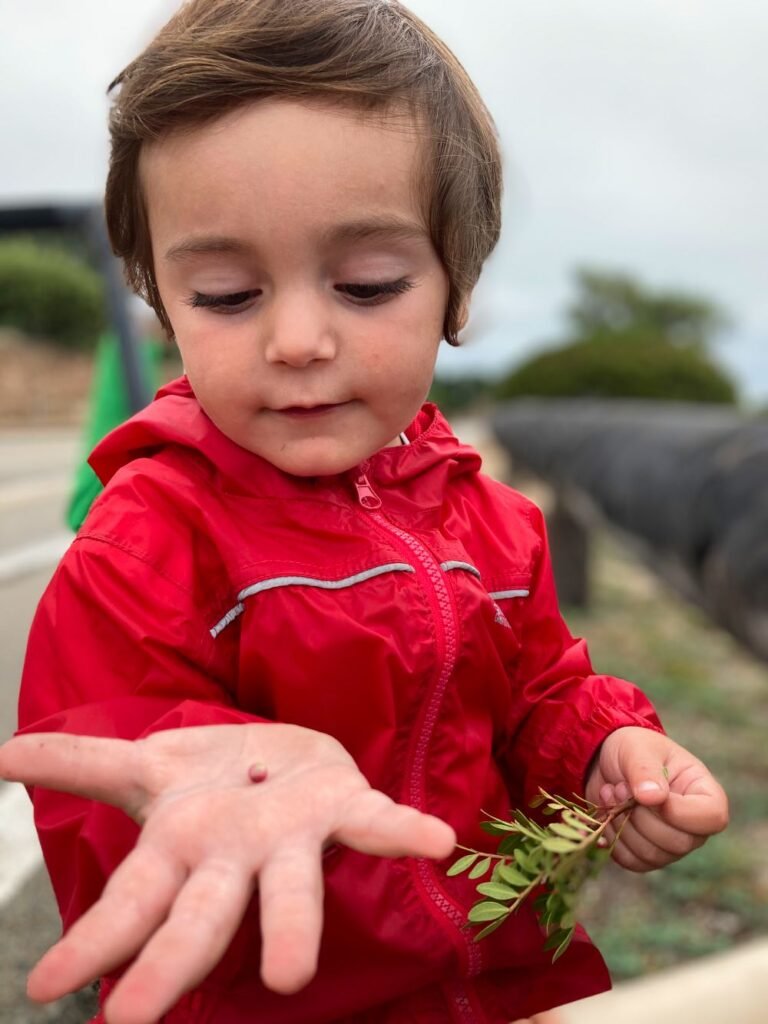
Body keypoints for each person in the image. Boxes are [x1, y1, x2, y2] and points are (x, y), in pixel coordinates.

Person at [0, 2, 728, 1023]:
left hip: (498, 982)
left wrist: (605, 751)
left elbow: (533, 696)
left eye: (366, 282)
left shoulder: (494, 525)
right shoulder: (149, 545)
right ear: (163, 304)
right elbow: (103, 770)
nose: (297, 338)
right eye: (224, 294)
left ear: (455, 288)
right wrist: (230, 785)